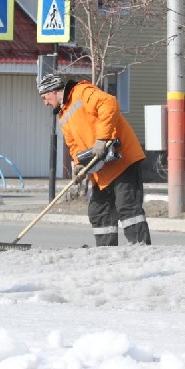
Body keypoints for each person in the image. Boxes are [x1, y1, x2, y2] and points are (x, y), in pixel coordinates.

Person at [38, 73, 152, 247]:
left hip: (122, 160)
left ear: (53, 90)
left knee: (127, 206)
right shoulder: (63, 115)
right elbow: (74, 144)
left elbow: (109, 103)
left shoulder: (82, 92)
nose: (45, 102)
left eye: (45, 97)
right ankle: (106, 252)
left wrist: (102, 138)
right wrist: (78, 166)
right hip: (101, 168)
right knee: (99, 211)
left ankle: (140, 249)